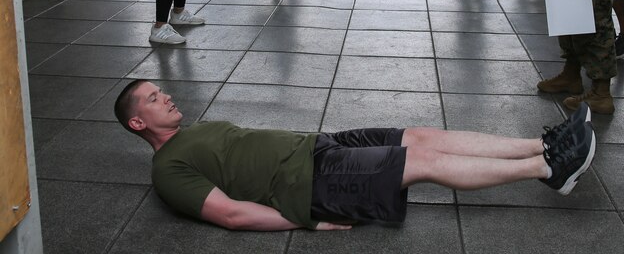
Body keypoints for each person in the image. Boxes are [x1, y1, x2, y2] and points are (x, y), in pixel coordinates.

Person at [114, 80, 596, 231]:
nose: (167, 97)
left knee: (421, 136)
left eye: (162, 92)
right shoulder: (168, 170)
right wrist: (306, 220)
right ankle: (549, 169)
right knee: (422, 164)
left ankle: (542, 145)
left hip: (320, 145)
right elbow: (231, 214)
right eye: (154, 100)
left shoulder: (190, 133)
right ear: (138, 123)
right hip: (312, 184)